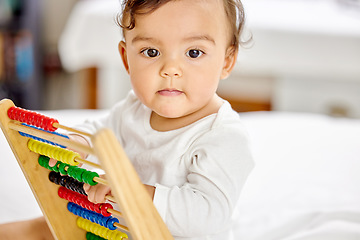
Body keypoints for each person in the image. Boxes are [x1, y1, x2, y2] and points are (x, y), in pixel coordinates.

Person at [0, 0, 254, 239]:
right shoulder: (134, 108)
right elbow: (100, 135)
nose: (170, 68)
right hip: (117, 227)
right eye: (151, 51)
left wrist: (129, 193)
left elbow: (208, 214)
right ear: (126, 59)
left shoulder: (223, 136)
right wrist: (74, 140)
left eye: (194, 52)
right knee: (46, 225)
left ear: (227, 61)